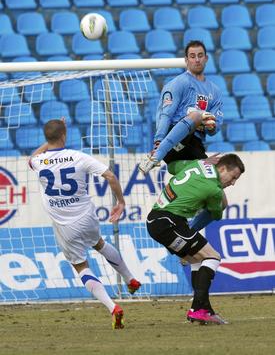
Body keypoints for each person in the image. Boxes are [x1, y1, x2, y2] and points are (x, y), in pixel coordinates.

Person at [29, 118, 141, 329]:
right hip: (86, 217)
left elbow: (33, 157)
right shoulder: (78, 157)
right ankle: (130, 278)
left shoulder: (38, 162)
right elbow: (109, 175)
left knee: (81, 266)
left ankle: (112, 307)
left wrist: (49, 141)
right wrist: (121, 202)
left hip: (64, 225)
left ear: (46, 138)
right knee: (99, 243)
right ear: (64, 135)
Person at [146, 154, 245, 324]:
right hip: (170, 222)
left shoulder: (197, 164)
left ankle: (205, 309)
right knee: (213, 257)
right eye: (233, 177)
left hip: (156, 221)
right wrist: (219, 192)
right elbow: (217, 213)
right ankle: (197, 310)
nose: (233, 183)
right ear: (222, 168)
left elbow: (173, 167)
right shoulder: (213, 189)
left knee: (196, 261)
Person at [139, 40, 224, 175]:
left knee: (213, 180)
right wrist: (158, 142)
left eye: (200, 55)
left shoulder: (215, 91)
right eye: (192, 56)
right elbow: (165, 115)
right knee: (196, 115)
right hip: (172, 143)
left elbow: (215, 127)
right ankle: (155, 156)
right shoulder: (179, 83)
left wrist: (212, 126)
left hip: (194, 145)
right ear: (186, 60)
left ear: (206, 58)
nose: (197, 60)